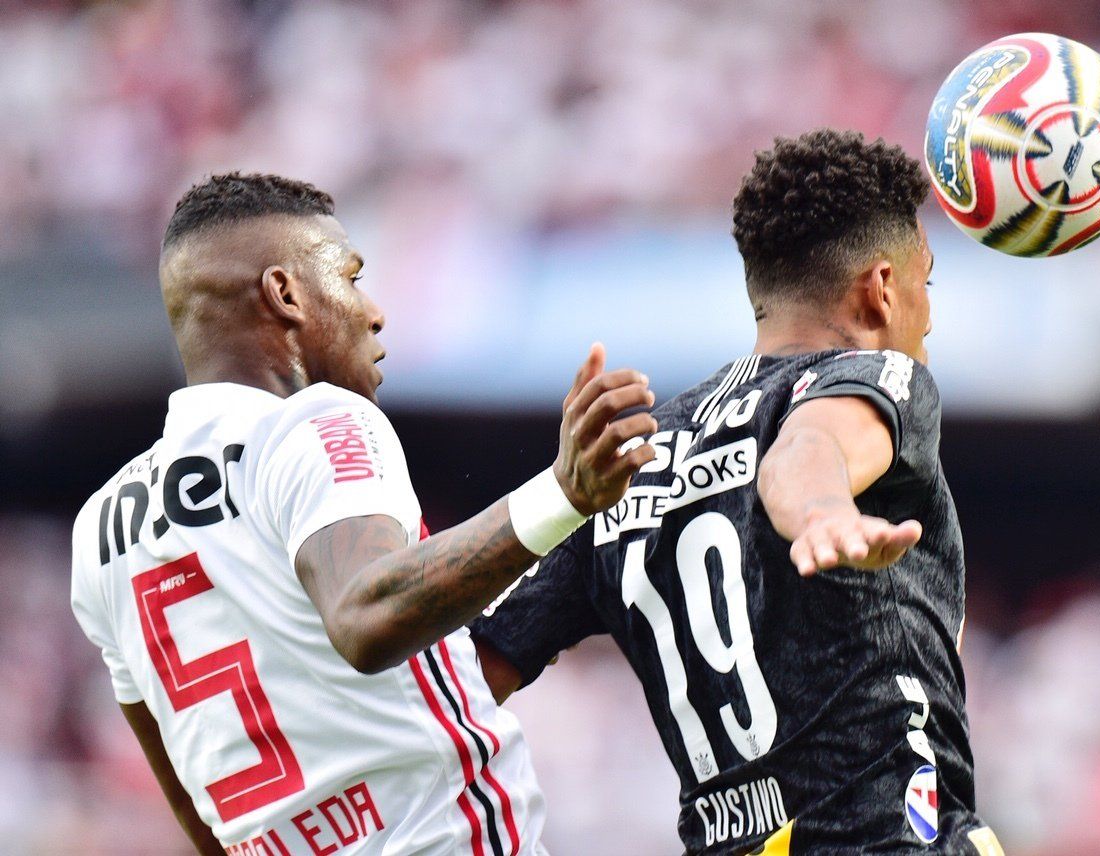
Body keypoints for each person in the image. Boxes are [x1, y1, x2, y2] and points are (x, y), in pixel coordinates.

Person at [69, 173, 659, 855]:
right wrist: (563, 495)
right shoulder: (314, 423)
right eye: (349, 278)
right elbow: (365, 617)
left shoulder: (101, 530)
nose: (373, 312)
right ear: (286, 295)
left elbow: (195, 803)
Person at [471, 131, 1005, 855]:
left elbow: (477, 672)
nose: (929, 313)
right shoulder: (881, 376)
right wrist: (822, 514)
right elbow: (805, 451)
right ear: (882, 288)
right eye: (927, 283)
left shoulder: (630, 457)